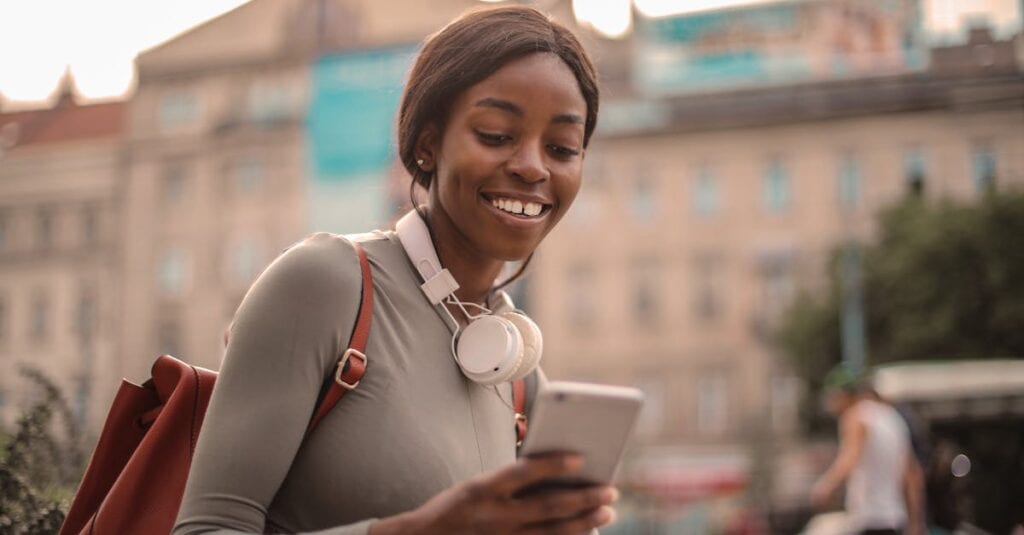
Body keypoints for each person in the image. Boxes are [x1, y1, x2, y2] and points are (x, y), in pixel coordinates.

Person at [173, 6, 614, 535]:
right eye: (496, 134)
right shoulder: (323, 283)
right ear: (426, 144)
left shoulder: (521, 379)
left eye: (563, 148)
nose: (533, 166)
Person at [811, 365, 925, 535]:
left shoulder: (856, 416)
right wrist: (916, 521)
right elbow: (912, 473)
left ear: (843, 394)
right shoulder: (892, 418)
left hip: (871, 518)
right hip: (896, 518)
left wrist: (826, 485)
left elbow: (850, 457)